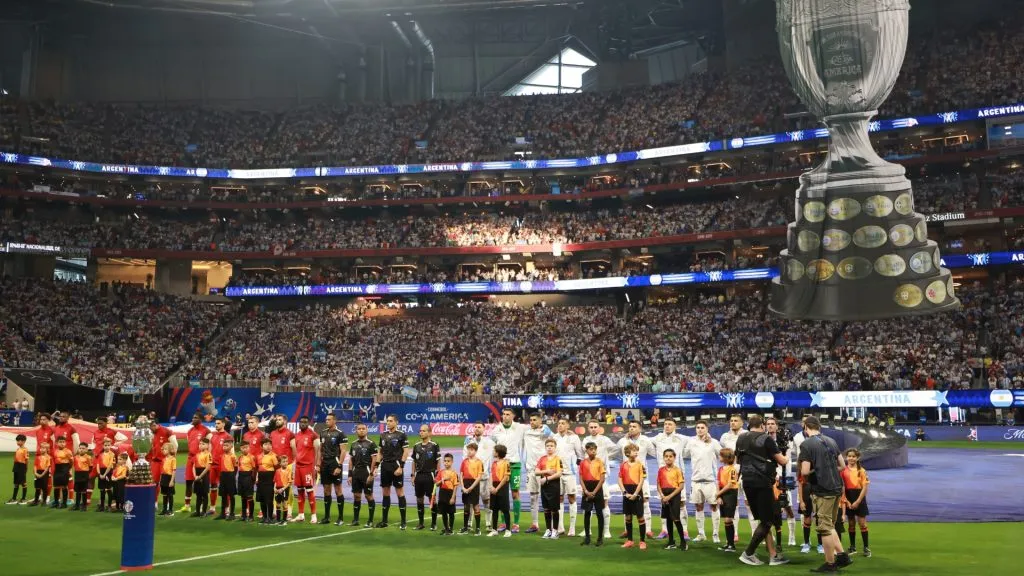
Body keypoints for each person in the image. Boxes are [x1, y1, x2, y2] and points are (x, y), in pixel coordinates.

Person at [798, 416, 852, 573]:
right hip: (836, 488)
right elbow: (842, 466)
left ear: (806, 427)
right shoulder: (831, 441)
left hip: (823, 490)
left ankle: (830, 564)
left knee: (824, 528)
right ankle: (842, 556)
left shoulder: (806, 444)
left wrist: (818, 471)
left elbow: (805, 472)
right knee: (830, 524)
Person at [735, 415, 789, 567]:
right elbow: (782, 461)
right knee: (767, 520)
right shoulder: (766, 438)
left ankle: (773, 556)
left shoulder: (740, 438)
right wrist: (785, 451)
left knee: (764, 520)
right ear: (762, 425)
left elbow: (738, 459)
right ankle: (748, 553)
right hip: (762, 482)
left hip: (747, 482)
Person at [490, 408, 528, 532]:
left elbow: (536, 428)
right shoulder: (496, 430)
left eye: (508, 414)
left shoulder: (520, 428)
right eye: (503, 414)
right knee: (501, 494)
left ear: (513, 416)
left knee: (515, 493)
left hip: (515, 464)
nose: (505, 416)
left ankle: (516, 523)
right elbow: (492, 445)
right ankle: (503, 523)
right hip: (502, 465)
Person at [652, 418, 690, 540]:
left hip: (677, 475)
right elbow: (643, 440)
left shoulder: (681, 438)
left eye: (670, 424)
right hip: (663, 475)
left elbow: (696, 439)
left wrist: (707, 436)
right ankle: (665, 530)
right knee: (663, 502)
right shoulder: (657, 438)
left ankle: (684, 530)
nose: (667, 426)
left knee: (682, 504)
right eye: (665, 424)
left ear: (675, 426)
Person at [617, 420, 656, 538]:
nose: (631, 428)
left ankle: (648, 529)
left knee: (645, 501)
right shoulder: (623, 441)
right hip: (626, 478)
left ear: (640, 429)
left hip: (641, 477)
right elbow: (613, 452)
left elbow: (655, 453)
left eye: (634, 426)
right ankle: (627, 530)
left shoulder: (645, 440)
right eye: (630, 426)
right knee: (627, 503)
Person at [721, 414, 756, 541]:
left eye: (736, 421)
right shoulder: (725, 437)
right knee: (732, 504)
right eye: (731, 421)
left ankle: (754, 533)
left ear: (742, 423)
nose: (733, 423)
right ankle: (734, 533)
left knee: (749, 503)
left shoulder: (747, 435)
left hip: (746, 472)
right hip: (730, 473)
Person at [689, 420, 722, 543]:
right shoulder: (691, 442)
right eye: (697, 427)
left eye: (702, 427)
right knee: (698, 507)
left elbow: (722, 455)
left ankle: (715, 534)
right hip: (695, 480)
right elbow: (685, 453)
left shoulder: (714, 442)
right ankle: (701, 533)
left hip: (710, 481)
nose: (700, 429)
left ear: (707, 429)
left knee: (714, 506)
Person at [766, 417, 798, 547]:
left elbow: (787, 457)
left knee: (788, 508)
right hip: (770, 478)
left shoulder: (786, 440)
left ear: (777, 426)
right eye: (768, 424)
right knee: (770, 509)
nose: (770, 426)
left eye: (772, 424)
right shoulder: (764, 440)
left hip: (785, 477)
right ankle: (772, 536)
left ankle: (792, 536)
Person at [584, 419, 616, 539]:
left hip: (602, 476)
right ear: (588, 428)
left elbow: (615, 449)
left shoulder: (605, 440)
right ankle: (587, 530)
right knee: (588, 504)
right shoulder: (586, 440)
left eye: (595, 427)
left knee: (604, 502)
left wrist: (607, 458)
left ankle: (606, 531)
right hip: (588, 478)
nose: (593, 429)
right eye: (591, 427)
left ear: (599, 428)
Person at [521, 412, 553, 534]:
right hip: (531, 471)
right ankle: (535, 524)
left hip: (545, 470)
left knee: (548, 498)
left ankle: (552, 526)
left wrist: (551, 433)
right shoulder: (526, 432)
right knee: (533, 497)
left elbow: (556, 439)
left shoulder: (545, 431)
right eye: (531, 419)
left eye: (535, 420)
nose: (532, 422)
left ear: (540, 421)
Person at [377, 414, 410, 529]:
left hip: (396, 466)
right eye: (388, 421)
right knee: (385, 493)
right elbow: (380, 452)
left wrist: (401, 467)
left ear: (396, 422)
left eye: (391, 421)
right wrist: (376, 466)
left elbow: (406, 452)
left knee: (400, 493)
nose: (388, 423)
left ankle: (403, 522)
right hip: (385, 466)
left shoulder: (401, 435)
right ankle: (384, 521)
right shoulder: (383, 435)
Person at [553, 417, 583, 536]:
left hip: (570, 473)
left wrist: (576, 468)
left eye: (563, 423)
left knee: (571, 498)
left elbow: (579, 455)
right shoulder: (554, 438)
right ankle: (560, 527)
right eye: (559, 423)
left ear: (568, 426)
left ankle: (572, 528)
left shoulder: (574, 437)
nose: (560, 425)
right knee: (559, 499)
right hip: (557, 473)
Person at [318, 413, 349, 526]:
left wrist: (339, 466)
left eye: (329, 419)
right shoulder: (323, 433)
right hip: (325, 463)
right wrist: (318, 463)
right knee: (326, 490)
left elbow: (343, 451)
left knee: (338, 490)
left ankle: (340, 518)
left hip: (334, 463)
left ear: (334, 421)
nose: (327, 421)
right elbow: (320, 450)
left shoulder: (340, 434)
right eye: (326, 419)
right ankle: (327, 517)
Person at [464, 422, 495, 530]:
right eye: (475, 427)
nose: (477, 429)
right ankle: (469, 524)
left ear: (484, 428)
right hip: (471, 478)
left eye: (479, 427)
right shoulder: (468, 441)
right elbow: (465, 457)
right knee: (472, 502)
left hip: (484, 477)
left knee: (487, 500)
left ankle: (488, 524)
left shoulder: (490, 442)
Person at [618, 443, 647, 551]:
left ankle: (642, 541)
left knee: (640, 517)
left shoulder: (640, 465)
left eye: (636, 450)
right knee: (628, 517)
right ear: (627, 453)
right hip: (627, 491)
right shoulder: (623, 465)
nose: (636, 452)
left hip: (637, 492)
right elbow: (619, 479)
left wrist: (635, 494)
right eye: (634, 450)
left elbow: (641, 480)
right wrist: (625, 492)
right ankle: (630, 540)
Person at [291, 416, 320, 524]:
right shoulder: (297, 435)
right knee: (299, 490)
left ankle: (313, 515)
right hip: (298, 466)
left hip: (308, 466)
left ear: (308, 423)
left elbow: (318, 450)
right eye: (301, 422)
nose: (302, 424)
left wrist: (317, 465)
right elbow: (297, 451)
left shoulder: (313, 435)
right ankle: (301, 515)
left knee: (309, 490)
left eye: (305, 422)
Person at [842, 448, 871, 557]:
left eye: (853, 456)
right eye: (849, 456)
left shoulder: (862, 471)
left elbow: (865, 487)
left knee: (862, 523)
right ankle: (852, 547)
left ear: (857, 458)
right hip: (848, 498)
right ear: (846, 457)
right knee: (851, 523)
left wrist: (858, 501)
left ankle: (866, 548)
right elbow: (842, 487)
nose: (851, 458)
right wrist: (847, 501)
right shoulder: (843, 471)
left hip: (860, 498)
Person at [658, 449, 688, 551]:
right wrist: (662, 495)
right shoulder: (661, 470)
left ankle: (683, 542)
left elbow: (681, 486)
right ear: (663, 457)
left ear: (674, 458)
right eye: (666, 456)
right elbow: (658, 484)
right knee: (668, 519)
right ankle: (671, 541)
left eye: (670, 456)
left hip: (674, 496)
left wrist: (669, 497)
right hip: (664, 496)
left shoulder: (677, 470)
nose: (668, 458)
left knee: (676, 518)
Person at [179, 413, 210, 514]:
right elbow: (190, 445)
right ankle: (187, 505)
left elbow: (210, 445)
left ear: (201, 419)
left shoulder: (206, 430)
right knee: (188, 481)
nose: (193, 419)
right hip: (190, 458)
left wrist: (206, 458)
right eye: (193, 417)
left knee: (199, 483)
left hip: (201, 459)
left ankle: (200, 506)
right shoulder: (190, 431)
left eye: (195, 418)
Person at [349, 422, 378, 528]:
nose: (361, 430)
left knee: (368, 495)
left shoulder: (371, 444)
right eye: (359, 429)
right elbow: (351, 460)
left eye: (363, 428)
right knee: (356, 496)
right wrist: (350, 475)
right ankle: (355, 520)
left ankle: (370, 520)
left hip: (366, 473)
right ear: (356, 431)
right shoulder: (353, 444)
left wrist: (371, 474)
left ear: (367, 430)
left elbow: (374, 460)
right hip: (356, 473)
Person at [414, 424, 442, 530]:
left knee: (432, 499)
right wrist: (413, 475)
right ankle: (421, 523)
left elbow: (438, 460)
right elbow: (414, 461)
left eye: (423, 431)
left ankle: (434, 524)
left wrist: (438, 475)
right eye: (420, 431)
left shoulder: (434, 445)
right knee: (419, 500)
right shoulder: (416, 446)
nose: (421, 432)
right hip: (419, 476)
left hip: (430, 476)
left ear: (429, 432)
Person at [578, 441, 606, 547]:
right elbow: (580, 478)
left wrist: (594, 492)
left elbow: (602, 479)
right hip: (587, 488)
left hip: (597, 489)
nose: (593, 451)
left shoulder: (600, 462)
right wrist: (585, 491)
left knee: (599, 513)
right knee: (587, 513)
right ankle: (587, 538)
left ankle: (600, 538)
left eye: (594, 449)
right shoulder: (583, 463)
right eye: (591, 449)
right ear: (586, 450)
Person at [535, 438, 563, 539]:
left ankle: (555, 530)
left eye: (551, 446)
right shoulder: (542, 459)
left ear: (555, 448)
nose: (549, 448)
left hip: (554, 485)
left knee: (554, 509)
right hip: (544, 486)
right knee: (546, 508)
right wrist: (546, 471)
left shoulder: (557, 459)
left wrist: (547, 478)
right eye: (548, 446)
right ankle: (548, 530)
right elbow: (536, 471)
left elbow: (559, 473)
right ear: (545, 447)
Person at [269, 415, 295, 521]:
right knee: (276, 488)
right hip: (276, 465)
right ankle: (276, 510)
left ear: (285, 421)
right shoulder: (273, 433)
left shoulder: (289, 433)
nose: (277, 421)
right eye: (277, 419)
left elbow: (293, 448)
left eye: (280, 419)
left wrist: (293, 463)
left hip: (287, 465)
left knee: (288, 489)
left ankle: (289, 511)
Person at [52, 412, 80, 507]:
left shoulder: (71, 428)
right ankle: (57, 500)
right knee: (57, 479)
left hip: (67, 458)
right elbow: (54, 442)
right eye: (60, 416)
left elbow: (77, 441)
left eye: (64, 417)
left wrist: (74, 453)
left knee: (69, 478)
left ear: (68, 418)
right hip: (57, 457)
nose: (61, 418)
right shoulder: (56, 428)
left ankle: (71, 498)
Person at [716, 447, 740, 552]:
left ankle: (731, 545)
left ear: (726, 457)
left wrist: (718, 494)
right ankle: (729, 543)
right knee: (726, 520)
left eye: (721, 455)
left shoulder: (732, 469)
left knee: (728, 519)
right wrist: (719, 496)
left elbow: (730, 484)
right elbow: (718, 482)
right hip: (723, 493)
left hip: (730, 494)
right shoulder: (721, 469)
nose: (719, 457)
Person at [487, 444, 513, 538]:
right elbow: (491, 474)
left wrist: (497, 488)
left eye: (494, 450)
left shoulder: (506, 463)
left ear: (497, 453)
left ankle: (508, 530)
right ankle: (494, 530)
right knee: (494, 509)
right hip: (493, 486)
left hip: (502, 487)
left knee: (505, 509)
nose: (493, 452)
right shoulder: (493, 463)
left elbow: (506, 477)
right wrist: (490, 486)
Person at [208, 417, 232, 517]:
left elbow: (231, 451)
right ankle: (212, 508)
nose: (216, 425)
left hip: (223, 466)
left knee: (225, 488)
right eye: (215, 423)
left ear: (223, 424)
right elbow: (209, 450)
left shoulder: (228, 436)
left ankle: (227, 509)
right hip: (213, 465)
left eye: (218, 423)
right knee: (213, 487)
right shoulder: (213, 436)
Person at [459, 442, 484, 535]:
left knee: (475, 506)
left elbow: (479, 477)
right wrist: (463, 486)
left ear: (476, 451)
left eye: (471, 450)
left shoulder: (479, 462)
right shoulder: (464, 461)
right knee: (466, 506)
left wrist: (471, 488)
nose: (469, 451)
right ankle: (465, 527)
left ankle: (477, 528)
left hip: (474, 485)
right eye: (468, 449)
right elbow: (461, 474)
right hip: (465, 484)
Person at [434, 454, 459, 535]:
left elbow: (455, 486)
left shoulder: (454, 473)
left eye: (448, 461)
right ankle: (446, 528)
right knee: (443, 512)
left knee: (451, 512)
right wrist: (443, 480)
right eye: (445, 461)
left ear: (452, 462)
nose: (446, 463)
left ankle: (451, 529)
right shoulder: (441, 472)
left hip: (450, 493)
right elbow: (437, 484)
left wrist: (453, 497)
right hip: (442, 493)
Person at [257, 438, 279, 526]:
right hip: (261, 480)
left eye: (270, 444)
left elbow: (277, 469)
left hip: (270, 480)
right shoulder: (258, 456)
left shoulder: (273, 456)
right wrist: (256, 478)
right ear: (261, 446)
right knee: (262, 499)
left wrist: (276, 481)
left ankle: (269, 517)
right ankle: (264, 517)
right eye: (266, 444)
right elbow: (257, 468)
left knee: (269, 499)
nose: (268, 446)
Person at [216, 438, 238, 520]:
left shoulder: (233, 456)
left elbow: (235, 467)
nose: (224, 447)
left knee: (231, 495)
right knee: (223, 495)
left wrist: (233, 476)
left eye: (227, 445)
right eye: (224, 445)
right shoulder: (221, 456)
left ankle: (232, 513)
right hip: (223, 476)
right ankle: (223, 513)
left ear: (231, 446)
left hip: (230, 475)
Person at [191, 438, 212, 518]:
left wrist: (200, 477)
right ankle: (197, 511)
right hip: (197, 474)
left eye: (203, 444)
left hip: (204, 475)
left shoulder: (208, 454)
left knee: (204, 494)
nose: (200, 445)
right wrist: (195, 476)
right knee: (198, 494)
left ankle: (203, 511)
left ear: (207, 445)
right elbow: (193, 466)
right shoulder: (197, 454)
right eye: (200, 444)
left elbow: (207, 467)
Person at [51, 437, 73, 509]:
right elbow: (53, 461)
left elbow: (71, 461)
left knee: (64, 486)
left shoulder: (68, 451)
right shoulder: (55, 451)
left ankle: (64, 503)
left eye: (63, 442)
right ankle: (56, 502)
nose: (62, 443)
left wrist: (69, 468)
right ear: (57, 443)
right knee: (56, 486)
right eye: (60, 442)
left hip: (65, 468)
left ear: (65, 443)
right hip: (57, 469)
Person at [95, 438, 116, 511]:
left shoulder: (112, 454)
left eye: (108, 445)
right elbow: (97, 464)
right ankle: (102, 506)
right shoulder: (100, 454)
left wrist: (104, 474)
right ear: (103, 446)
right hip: (101, 472)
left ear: (111, 446)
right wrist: (99, 474)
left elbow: (110, 465)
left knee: (108, 489)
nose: (107, 447)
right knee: (102, 490)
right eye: (105, 445)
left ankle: (109, 506)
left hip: (108, 472)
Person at [238, 443, 256, 522]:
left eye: (246, 447)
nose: (244, 449)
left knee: (249, 496)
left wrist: (253, 479)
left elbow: (254, 468)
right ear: (240, 449)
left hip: (248, 477)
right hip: (241, 476)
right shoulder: (240, 457)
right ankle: (244, 515)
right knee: (243, 496)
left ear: (249, 448)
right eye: (242, 448)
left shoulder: (251, 457)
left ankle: (251, 516)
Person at [72, 442, 93, 512]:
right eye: (80, 448)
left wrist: (87, 474)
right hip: (77, 474)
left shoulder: (88, 457)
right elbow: (74, 466)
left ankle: (84, 506)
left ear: (86, 449)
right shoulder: (75, 457)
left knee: (84, 491)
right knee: (77, 491)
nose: (81, 450)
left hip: (85, 475)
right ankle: (77, 505)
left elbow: (90, 467)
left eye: (83, 448)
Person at [30, 442, 52, 506]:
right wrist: (35, 473)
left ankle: (44, 501)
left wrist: (42, 475)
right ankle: (36, 501)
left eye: (43, 448)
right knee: (37, 487)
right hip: (37, 472)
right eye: (41, 448)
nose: (41, 449)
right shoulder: (37, 457)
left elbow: (47, 467)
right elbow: (35, 465)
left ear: (47, 449)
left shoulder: (48, 457)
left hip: (44, 473)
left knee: (44, 488)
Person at [9, 434, 29, 504]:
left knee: (23, 483)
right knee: (16, 483)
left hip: (22, 466)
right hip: (16, 466)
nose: (17, 442)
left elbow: (26, 460)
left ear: (23, 441)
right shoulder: (18, 449)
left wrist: (26, 468)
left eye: (19, 441)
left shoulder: (25, 450)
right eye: (17, 441)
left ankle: (24, 498)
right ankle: (14, 498)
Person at [274, 454, 293, 526]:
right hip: (278, 489)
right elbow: (275, 481)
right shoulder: (277, 471)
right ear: (280, 463)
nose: (285, 463)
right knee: (278, 504)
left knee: (284, 504)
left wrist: (283, 489)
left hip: (284, 489)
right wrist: (274, 488)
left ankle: (284, 520)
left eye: (286, 461)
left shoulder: (289, 471)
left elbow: (289, 482)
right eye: (283, 461)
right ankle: (278, 520)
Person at [159, 442, 177, 516]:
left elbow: (174, 470)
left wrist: (172, 481)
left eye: (165, 449)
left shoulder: (173, 459)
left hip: (170, 478)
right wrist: (161, 479)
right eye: (163, 449)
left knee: (170, 495)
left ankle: (170, 510)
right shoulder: (163, 459)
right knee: (164, 494)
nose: (163, 450)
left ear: (170, 450)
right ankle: (164, 509)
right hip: (164, 477)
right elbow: (162, 470)